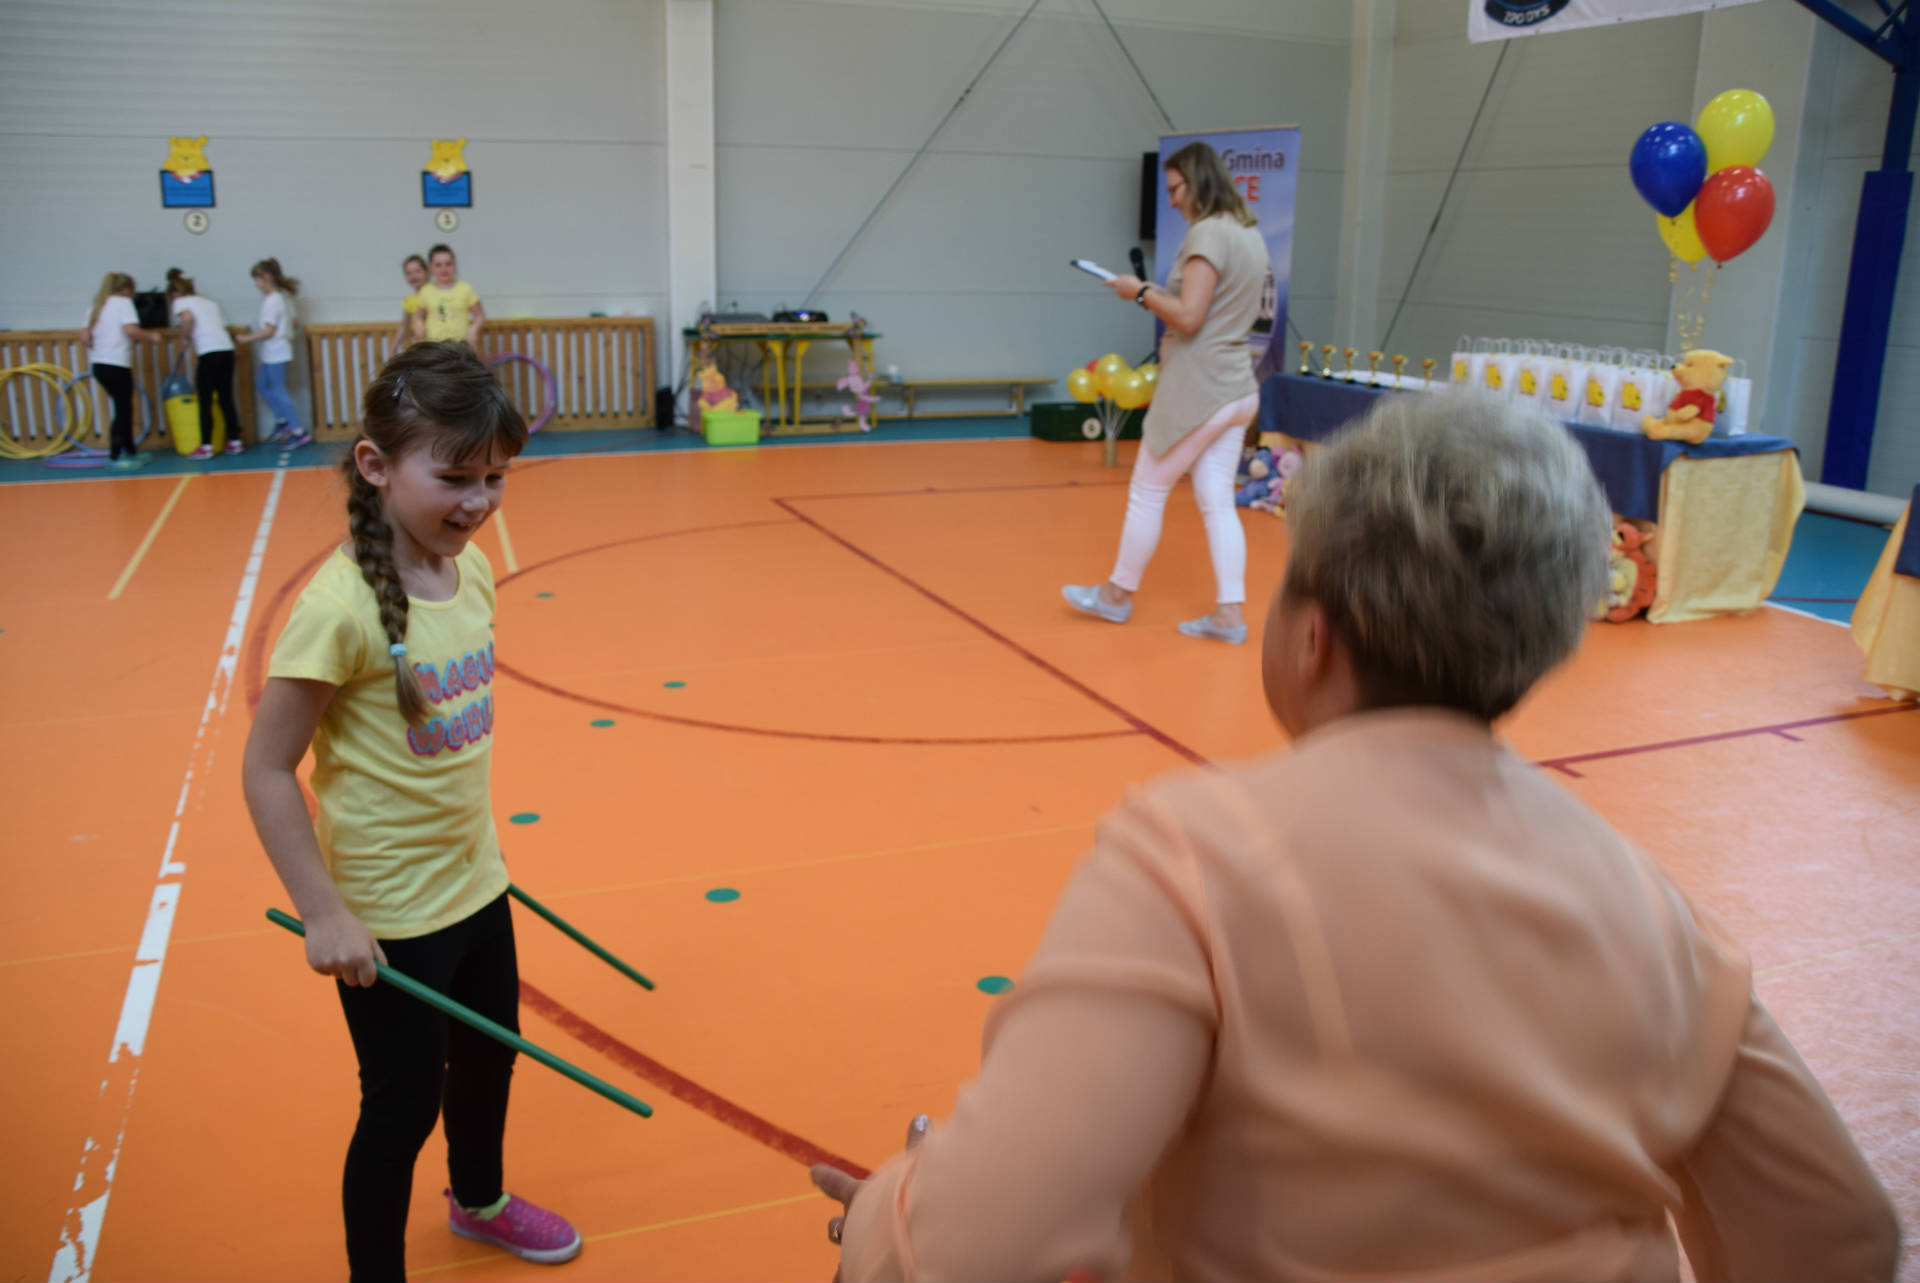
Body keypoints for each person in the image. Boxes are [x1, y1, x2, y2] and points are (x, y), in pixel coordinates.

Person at [816, 391, 1900, 1283]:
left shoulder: (1194, 857)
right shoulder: (1664, 919)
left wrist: (886, 1222)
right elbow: (1839, 1238)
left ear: (1314, 633)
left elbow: (969, 1247)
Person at [241, 342, 578, 1281]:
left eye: (497, 476)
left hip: (478, 882)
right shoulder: (337, 609)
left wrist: (479, 858)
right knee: (399, 1111)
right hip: (389, 914)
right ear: (376, 465)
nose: (477, 500)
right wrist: (324, 910)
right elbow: (268, 770)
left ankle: (479, 1202)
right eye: (455, 476)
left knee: (488, 1062)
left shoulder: (465, 570)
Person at [1063, 141, 1271, 644]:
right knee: (1217, 501)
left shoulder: (1208, 234)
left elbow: (1190, 316)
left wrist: (1138, 291)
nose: (1172, 201)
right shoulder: (1250, 235)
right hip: (1238, 386)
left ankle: (1115, 596)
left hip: (1201, 387)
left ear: (1198, 182)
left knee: (1148, 489)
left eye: (1176, 189)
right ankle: (1228, 614)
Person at [81, 272, 163, 469]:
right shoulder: (122, 303)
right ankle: (116, 455)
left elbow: (84, 337)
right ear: (126, 289)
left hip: (99, 364)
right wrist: (152, 336)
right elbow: (131, 330)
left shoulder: (96, 306)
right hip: (116, 364)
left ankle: (130, 451)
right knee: (123, 410)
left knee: (124, 407)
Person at [165, 267, 242, 458]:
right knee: (225, 397)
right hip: (226, 350)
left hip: (209, 353)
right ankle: (235, 441)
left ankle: (206, 445)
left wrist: (184, 338)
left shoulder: (181, 302)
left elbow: (187, 318)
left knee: (205, 399)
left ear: (174, 294)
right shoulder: (209, 303)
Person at [240, 257, 310, 447]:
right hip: (272, 350)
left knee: (279, 391)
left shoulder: (274, 300)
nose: (256, 284)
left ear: (268, 277)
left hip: (276, 350)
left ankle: (298, 430)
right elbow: (295, 322)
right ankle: (282, 420)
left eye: (258, 279)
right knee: (261, 384)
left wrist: (246, 339)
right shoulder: (284, 298)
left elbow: (269, 330)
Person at [416, 243, 484, 348]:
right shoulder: (425, 291)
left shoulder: (465, 289)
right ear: (431, 268)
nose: (444, 268)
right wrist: (419, 325)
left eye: (448, 264)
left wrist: (474, 329)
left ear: (454, 265)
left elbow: (479, 315)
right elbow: (418, 316)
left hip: (461, 347)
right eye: (438, 265)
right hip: (435, 347)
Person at [393, 253, 430, 352]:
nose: (413, 276)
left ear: (427, 272)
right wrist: (393, 347)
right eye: (409, 273)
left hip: (438, 345)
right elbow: (404, 325)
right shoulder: (409, 300)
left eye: (417, 271)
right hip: (421, 347)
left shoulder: (436, 294)